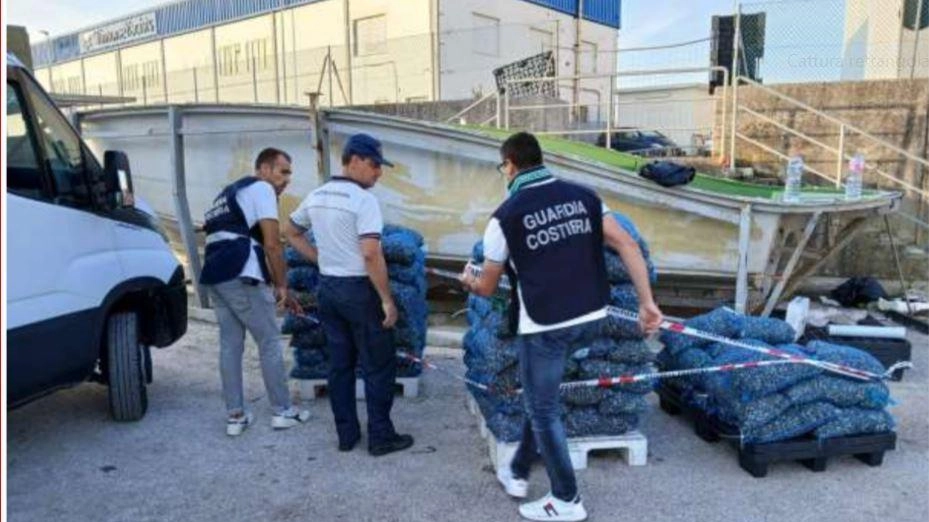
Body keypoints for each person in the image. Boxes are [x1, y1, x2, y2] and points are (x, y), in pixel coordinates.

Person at [460, 132, 663, 522]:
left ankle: (566, 500)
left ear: (511, 165)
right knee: (544, 399)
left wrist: (468, 280)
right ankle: (518, 470)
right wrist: (647, 302)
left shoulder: (504, 217)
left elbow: (486, 286)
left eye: (503, 166)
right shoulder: (585, 196)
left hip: (545, 325)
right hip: (590, 318)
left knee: (542, 408)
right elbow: (627, 245)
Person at [284, 133, 414, 457]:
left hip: (328, 289)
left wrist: (318, 259)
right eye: (374, 165)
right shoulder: (363, 201)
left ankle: (346, 435)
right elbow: (371, 254)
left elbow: (289, 231)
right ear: (353, 160)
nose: (378, 173)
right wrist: (386, 299)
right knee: (377, 364)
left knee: (340, 365)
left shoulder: (316, 196)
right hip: (359, 290)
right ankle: (381, 437)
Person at [200, 147, 310, 437]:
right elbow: (273, 244)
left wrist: (274, 285)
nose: (286, 179)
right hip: (240, 274)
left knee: (230, 345)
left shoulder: (228, 193)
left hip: (215, 273)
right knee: (269, 341)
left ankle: (235, 415)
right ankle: (283, 411)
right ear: (263, 169)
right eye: (282, 171)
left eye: (289, 174)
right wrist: (283, 286)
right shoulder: (261, 189)